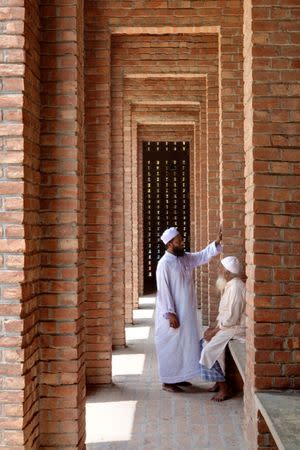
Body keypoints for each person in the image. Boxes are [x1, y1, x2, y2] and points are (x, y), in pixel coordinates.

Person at [155, 226, 222, 392]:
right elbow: (164, 291)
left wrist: (218, 243)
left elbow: (201, 256)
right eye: (179, 240)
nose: (182, 242)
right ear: (170, 244)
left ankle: (180, 377)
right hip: (173, 313)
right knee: (171, 346)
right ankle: (168, 382)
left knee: (184, 345)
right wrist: (170, 314)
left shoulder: (184, 258)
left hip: (186, 311)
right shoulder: (164, 264)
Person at [199, 255, 246, 401]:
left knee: (207, 350)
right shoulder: (230, 285)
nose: (218, 271)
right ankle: (218, 382)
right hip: (227, 326)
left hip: (236, 328)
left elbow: (231, 319)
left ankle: (225, 388)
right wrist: (213, 328)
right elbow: (224, 314)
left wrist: (214, 331)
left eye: (221, 268)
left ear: (227, 272)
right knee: (203, 343)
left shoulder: (236, 288)